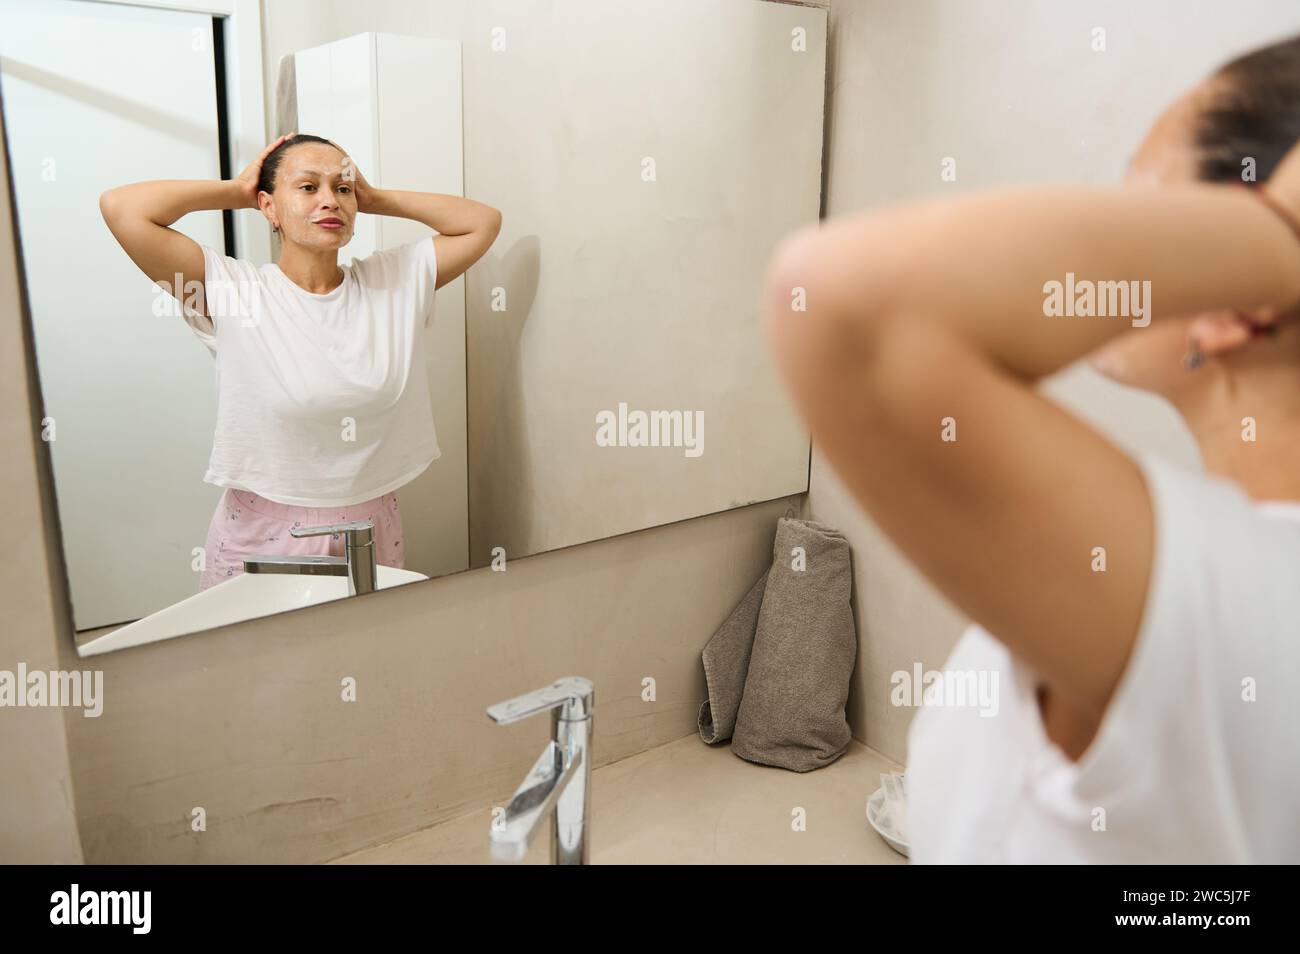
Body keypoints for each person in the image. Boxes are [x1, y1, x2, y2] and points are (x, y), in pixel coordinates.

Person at [764, 35, 1300, 862]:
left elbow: (839, 303)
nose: (1110, 220)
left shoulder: (1237, 593)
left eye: (1143, 198)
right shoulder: (1208, 577)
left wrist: (1275, 250)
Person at [99, 134, 501, 590]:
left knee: (363, 653)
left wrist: (374, 197)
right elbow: (122, 208)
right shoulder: (234, 292)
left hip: (373, 525)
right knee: (261, 659)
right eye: (308, 187)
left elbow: (483, 222)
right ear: (269, 208)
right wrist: (238, 190)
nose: (330, 200)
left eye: (342, 188)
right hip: (264, 532)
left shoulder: (394, 281)